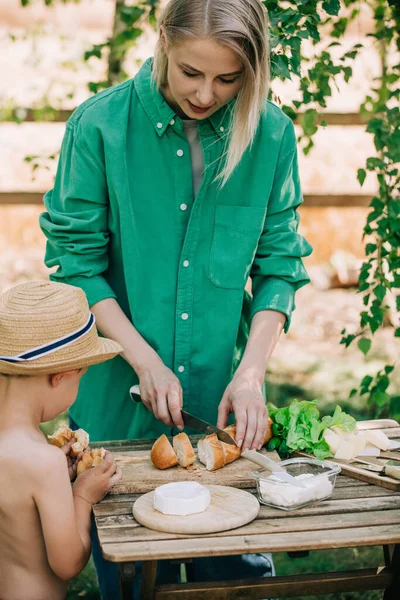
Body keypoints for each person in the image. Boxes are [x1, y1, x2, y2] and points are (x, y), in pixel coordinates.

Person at [40, 0, 312, 596]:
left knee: (235, 576)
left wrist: (251, 375)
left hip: (221, 412)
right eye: (191, 72)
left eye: (228, 78)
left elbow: (280, 265)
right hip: (116, 401)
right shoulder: (99, 127)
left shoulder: (270, 133)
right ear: (163, 40)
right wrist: (144, 359)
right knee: (135, 581)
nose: (207, 94)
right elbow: (77, 267)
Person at [0, 280, 123, 600]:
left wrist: (61, 481)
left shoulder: (25, 448)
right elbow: (67, 564)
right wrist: (82, 496)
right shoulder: (44, 460)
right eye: (81, 376)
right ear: (60, 377)